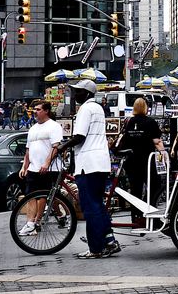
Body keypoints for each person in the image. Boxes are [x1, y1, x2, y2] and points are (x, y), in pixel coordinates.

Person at [57, 79, 120, 259]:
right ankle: (109, 241)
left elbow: (79, 136)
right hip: (100, 162)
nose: (75, 95)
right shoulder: (98, 108)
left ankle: (95, 248)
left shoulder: (85, 109)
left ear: (87, 94)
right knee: (98, 205)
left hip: (88, 163)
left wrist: (62, 147)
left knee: (90, 207)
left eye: (78, 92)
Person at [17, 101, 63, 236]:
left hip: (48, 169)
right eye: (34, 109)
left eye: (38, 109)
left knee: (42, 196)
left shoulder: (53, 126)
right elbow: (27, 150)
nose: (35, 112)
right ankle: (30, 223)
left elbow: (56, 147)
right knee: (30, 195)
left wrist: (47, 163)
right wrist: (24, 167)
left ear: (46, 111)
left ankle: (36, 222)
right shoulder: (33, 128)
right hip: (33, 167)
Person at [119, 98, 166, 227]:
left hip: (132, 161)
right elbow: (157, 141)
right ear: (146, 107)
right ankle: (150, 214)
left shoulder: (129, 122)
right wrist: (164, 155)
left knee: (135, 190)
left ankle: (136, 218)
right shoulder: (150, 122)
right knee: (155, 187)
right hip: (147, 161)